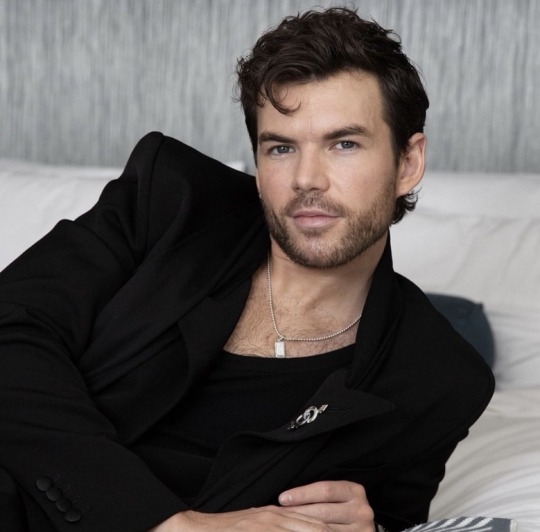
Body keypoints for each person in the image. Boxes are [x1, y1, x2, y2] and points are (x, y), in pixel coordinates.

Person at [0, 7, 493, 532]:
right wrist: (166, 523)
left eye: (344, 144)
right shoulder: (168, 205)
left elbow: (390, 516)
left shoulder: (437, 379)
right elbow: (10, 329)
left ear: (407, 163)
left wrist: (368, 528)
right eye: (281, 148)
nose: (307, 178)